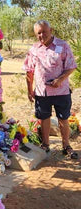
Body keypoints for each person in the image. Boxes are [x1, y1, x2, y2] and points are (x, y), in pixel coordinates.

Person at [24, 20, 78, 159]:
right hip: (42, 92)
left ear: (51, 30)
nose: (42, 35)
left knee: (63, 119)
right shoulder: (34, 49)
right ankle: (45, 145)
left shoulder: (63, 45)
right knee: (44, 118)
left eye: (44, 32)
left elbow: (71, 66)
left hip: (61, 91)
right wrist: (30, 90)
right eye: (39, 33)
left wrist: (60, 80)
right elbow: (29, 71)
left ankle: (66, 146)